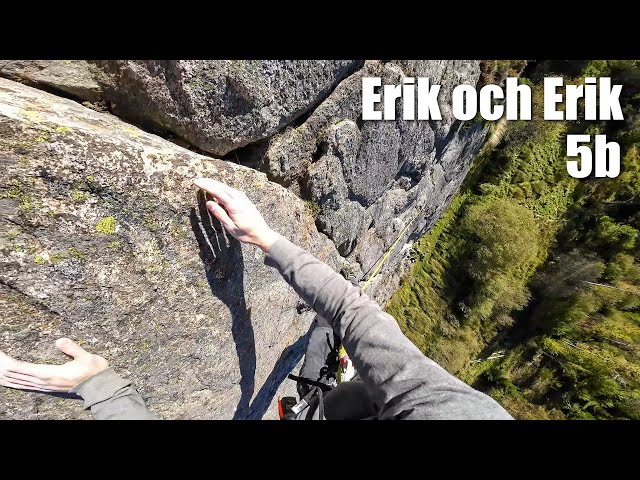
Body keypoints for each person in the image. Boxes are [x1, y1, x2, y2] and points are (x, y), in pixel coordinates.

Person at [0, 178, 512, 420]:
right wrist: (265, 238)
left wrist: (101, 388)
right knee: (339, 369)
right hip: (354, 411)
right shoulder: (454, 411)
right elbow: (358, 316)